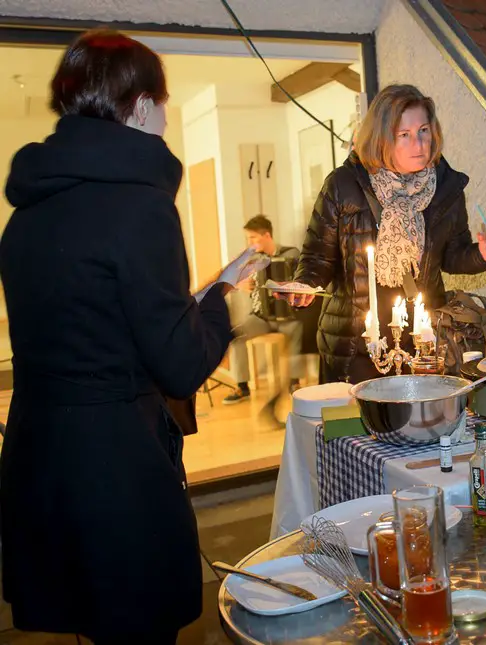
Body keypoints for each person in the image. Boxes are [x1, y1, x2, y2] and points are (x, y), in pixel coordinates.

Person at [0, 30, 257, 644]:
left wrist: (196, 295)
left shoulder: (28, 210)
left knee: (90, 623)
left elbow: (92, 322)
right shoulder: (141, 207)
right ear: (140, 105)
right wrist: (221, 300)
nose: (166, 119)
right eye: (163, 103)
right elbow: (178, 365)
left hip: (43, 459)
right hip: (115, 469)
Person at [286, 84, 486, 384]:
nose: (419, 144)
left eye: (423, 131)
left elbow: (453, 255)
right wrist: (304, 285)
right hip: (356, 345)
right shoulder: (343, 185)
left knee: (422, 426)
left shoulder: (444, 187)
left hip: (423, 341)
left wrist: (484, 255)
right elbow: (317, 257)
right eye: (403, 135)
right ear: (381, 138)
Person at [223, 215, 303, 404]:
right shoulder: (254, 260)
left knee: (297, 329)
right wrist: (242, 284)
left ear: (266, 235)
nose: (249, 243)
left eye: (252, 238)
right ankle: (242, 387)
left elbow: (301, 282)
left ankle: (294, 382)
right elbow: (233, 281)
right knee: (235, 335)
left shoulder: (291, 254)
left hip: (288, 317)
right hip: (261, 317)